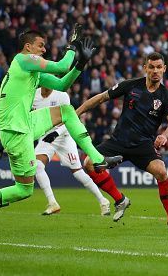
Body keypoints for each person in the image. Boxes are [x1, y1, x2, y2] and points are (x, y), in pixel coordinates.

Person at [0, 27, 122, 232]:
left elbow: (61, 84)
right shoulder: (23, 60)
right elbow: (61, 66)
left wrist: (81, 64)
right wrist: (72, 47)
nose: (44, 49)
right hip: (15, 131)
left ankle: (97, 158)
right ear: (28, 46)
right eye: (41, 45)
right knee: (24, 190)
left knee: (66, 111)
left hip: (25, 123)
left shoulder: (31, 71)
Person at [78, 52, 168, 231]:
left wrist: (165, 135)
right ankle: (120, 199)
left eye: (159, 67)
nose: (155, 71)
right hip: (118, 141)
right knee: (88, 163)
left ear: (164, 69)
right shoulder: (131, 85)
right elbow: (102, 97)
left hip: (143, 145)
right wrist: (77, 112)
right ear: (145, 68)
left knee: (162, 172)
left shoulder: (166, 96)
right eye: (152, 67)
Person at [32, 87, 110, 216]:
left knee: (78, 173)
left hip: (64, 136)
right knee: (37, 166)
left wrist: (56, 132)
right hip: (46, 137)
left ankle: (103, 201)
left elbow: (70, 118)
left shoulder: (62, 96)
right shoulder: (33, 96)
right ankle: (52, 203)